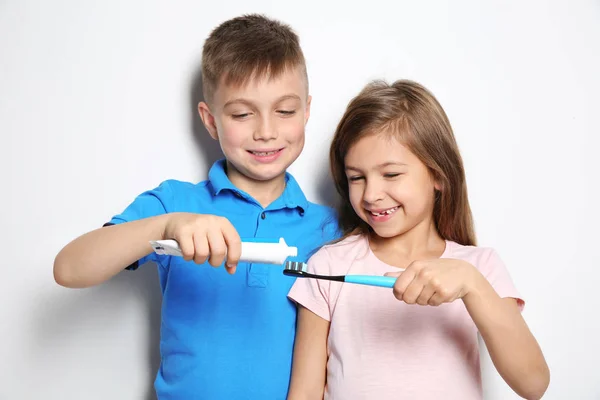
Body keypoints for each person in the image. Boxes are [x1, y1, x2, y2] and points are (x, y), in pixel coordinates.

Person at [53, 14, 339, 400]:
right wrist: (166, 227)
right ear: (210, 120)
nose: (266, 131)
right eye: (241, 114)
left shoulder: (332, 230)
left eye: (285, 111)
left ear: (306, 111)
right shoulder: (175, 204)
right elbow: (69, 269)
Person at [287, 79, 549, 400]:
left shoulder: (480, 267)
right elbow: (305, 392)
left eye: (391, 174)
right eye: (357, 177)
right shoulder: (328, 265)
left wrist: (472, 284)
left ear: (438, 174)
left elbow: (533, 384)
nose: (371, 194)